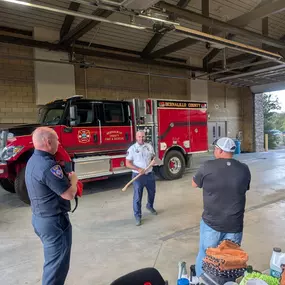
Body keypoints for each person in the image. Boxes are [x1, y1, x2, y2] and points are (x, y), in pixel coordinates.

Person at [25, 127, 78, 285]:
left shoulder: (33, 160)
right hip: (54, 223)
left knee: (53, 264)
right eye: (57, 140)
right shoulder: (49, 166)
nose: (59, 142)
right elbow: (68, 194)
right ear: (48, 142)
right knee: (56, 269)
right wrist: (74, 181)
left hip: (40, 219)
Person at [192, 137, 251, 277]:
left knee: (206, 257)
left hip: (211, 224)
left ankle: (202, 280)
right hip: (234, 226)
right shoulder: (244, 169)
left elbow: (194, 184)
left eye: (215, 149)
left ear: (219, 150)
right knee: (230, 261)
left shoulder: (207, 166)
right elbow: (244, 188)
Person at [126, 130, 157, 226]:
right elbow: (127, 163)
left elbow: (153, 157)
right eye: (139, 136)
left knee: (152, 192)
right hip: (138, 177)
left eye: (143, 136)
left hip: (149, 174)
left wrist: (153, 161)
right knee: (137, 197)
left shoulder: (149, 146)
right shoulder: (132, 149)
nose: (141, 138)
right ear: (136, 137)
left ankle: (150, 206)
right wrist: (138, 169)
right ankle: (137, 216)